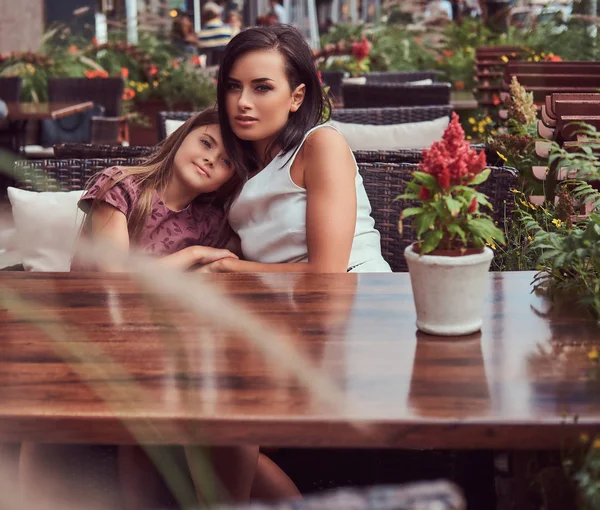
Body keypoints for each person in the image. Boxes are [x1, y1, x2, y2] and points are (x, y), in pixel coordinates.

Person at [19, 108, 299, 509]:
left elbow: (219, 285)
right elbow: (115, 280)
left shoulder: (212, 220)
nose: (210, 160)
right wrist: (195, 256)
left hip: (162, 352)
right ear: (182, 136)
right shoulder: (122, 187)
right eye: (205, 143)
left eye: (225, 162)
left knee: (216, 420)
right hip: (91, 339)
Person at [203, 24, 391, 274]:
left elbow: (328, 273)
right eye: (233, 86)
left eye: (262, 88)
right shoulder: (232, 165)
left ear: (296, 97)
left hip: (358, 294)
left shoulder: (319, 145)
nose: (242, 102)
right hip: (281, 304)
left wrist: (228, 268)